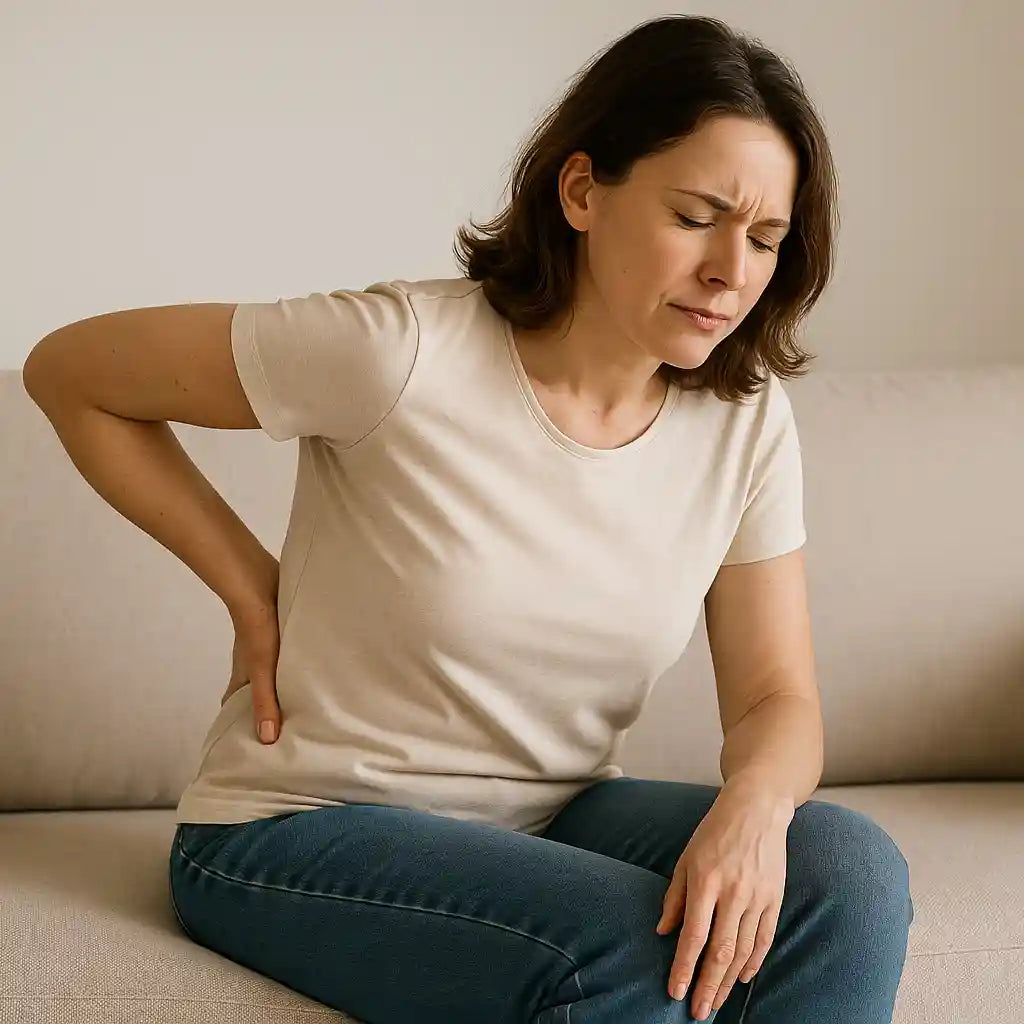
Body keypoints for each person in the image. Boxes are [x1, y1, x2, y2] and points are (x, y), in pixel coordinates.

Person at [22, 14, 913, 1024]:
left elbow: (774, 700)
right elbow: (72, 374)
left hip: (548, 817)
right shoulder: (399, 350)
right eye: (697, 215)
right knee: (620, 946)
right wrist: (249, 586)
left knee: (845, 871)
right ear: (581, 191)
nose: (730, 270)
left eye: (763, 237)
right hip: (295, 827)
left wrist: (753, 809)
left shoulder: (741, 422)